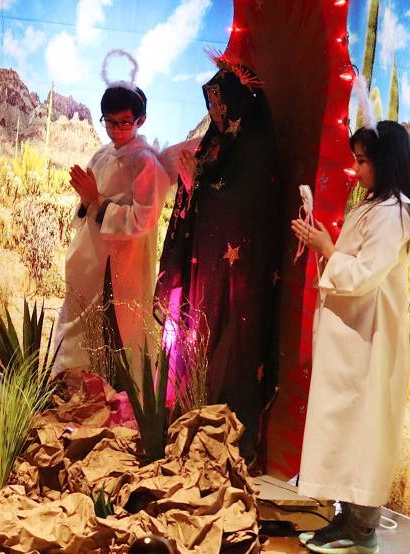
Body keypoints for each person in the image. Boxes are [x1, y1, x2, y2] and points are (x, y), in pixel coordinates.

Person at [291, 120, 410, 554]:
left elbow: (365, 274)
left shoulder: (395, 213)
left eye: (363, 161)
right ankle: (348, 518)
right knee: (344, 426)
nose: (356, 170)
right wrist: (325, 246)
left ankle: (362, 529)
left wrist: (326, 248)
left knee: (363, 427)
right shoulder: (374, 206)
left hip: (370, 339)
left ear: (386, 161)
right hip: (352, 337)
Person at [154, 59, 282, 463]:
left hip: (234, 282)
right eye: (210, 106)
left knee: (225, 352)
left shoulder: (255, 152)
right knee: (196, 346)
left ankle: (221, 442)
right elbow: (203, 190)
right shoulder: (215, 142)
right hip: (203, 269)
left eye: (219, 106)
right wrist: (192, 184)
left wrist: (197, 184)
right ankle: (187, 425)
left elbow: (235, 211)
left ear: (236, 106)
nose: (214, 114)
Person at [52, 81, 171, 384]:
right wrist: (86, 201)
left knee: (114, 333)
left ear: (140, 120)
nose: (116, 129)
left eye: (124, 122)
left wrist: (97, 201)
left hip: (119, 266)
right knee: (78, 327)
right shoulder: (101, 155)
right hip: (88, 258)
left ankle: (113, 397)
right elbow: (86, 206)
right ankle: (72, 390)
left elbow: (142, 221)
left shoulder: (145, 163)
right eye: (109, 122)